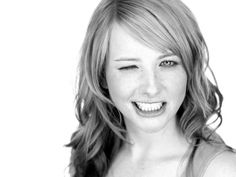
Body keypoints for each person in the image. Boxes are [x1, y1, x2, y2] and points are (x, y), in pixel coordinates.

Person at [66, 0, 236, 176]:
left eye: (167, 63)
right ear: (101, 75)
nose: (152, 88)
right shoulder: (89, 156)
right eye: (129, 67)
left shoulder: (222, 170)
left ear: (189, 70)